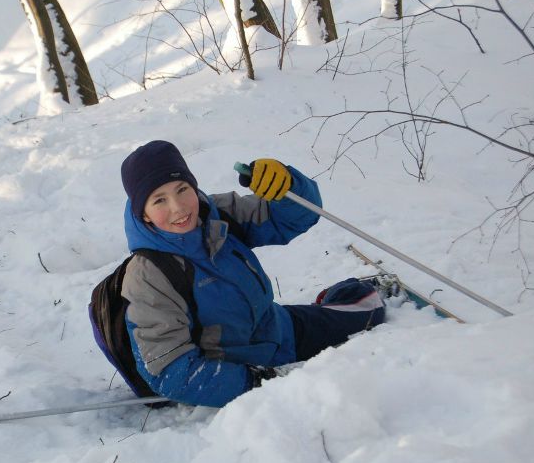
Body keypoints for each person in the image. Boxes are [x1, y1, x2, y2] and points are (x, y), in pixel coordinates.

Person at [120, 140, 385, 407]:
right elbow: (168, 370)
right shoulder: (148, 276)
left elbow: (297, 216)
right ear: (144, 214)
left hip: (279, 331)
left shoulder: (216, 216)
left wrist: (287, 185)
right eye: (160, 200)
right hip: (239, 368)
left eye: (182, 189)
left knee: (370, 308)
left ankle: (336, 297)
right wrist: (255, 381)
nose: (178, 207)